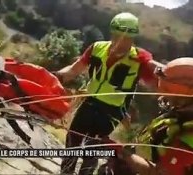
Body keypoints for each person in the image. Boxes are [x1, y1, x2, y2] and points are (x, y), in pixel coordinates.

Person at [55, 12, 164, 175]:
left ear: (133, 38)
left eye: (126, 37)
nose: (121, 41)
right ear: (111, 33)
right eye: (117, 35)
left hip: (112, 110)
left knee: (91, 146)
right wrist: (55, 77)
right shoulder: (97, 48)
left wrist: (169, 74)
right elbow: (73, 70)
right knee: (72, 139)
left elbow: (156, 72)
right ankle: (66, 172)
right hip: (90, 102)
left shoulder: (139, 58)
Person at [98, 57, 193, 175]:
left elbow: (161, 172)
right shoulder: (189, 106)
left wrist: (120, 152)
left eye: (167, 90)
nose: (162, 94)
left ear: (184, 93)